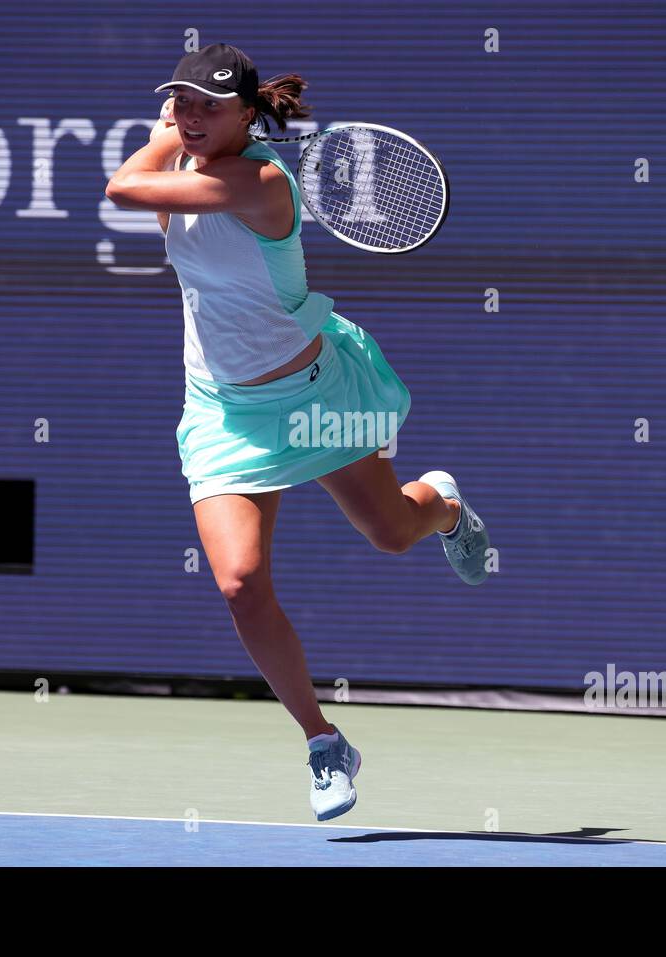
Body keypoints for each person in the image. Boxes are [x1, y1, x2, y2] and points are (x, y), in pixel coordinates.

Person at [105, 43, 491, 820]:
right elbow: (150, 182)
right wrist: (179, 128)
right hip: (223, 410)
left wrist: (164, 134)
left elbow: (123, 186)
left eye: (208, 104)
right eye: (179, 101)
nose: (189, 115)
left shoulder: (263, 180)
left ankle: (443, 505)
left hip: (319, 396)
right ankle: (324, 743)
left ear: (248, 115)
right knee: (241, 584)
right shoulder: (192, 155)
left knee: (391, 532)